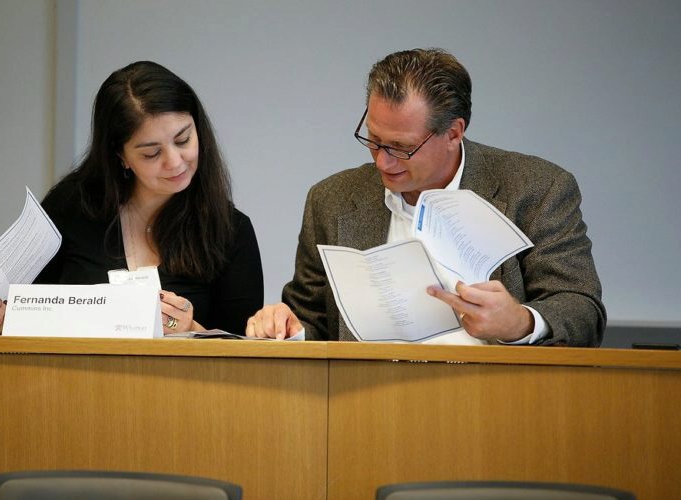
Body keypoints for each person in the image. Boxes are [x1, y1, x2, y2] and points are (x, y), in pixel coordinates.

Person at [246, 48, 605, 346]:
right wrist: (287, 327)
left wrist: (521, 323)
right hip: (364, 405)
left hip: (494, 401)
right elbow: (313, 321)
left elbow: (581, 308)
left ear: (453, 132)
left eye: (401, 148)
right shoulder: (332, 199)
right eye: (373, 139)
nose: (382, 161)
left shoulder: (537, 189)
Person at [0, 61, 264, 336]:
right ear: (121, 156)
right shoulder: (73, 206)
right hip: (72, 386)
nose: (175, 161)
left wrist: (190, 330)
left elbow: (242, 353)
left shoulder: (230, 230)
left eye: (183, 139)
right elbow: (24, 310)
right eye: (151, 153)